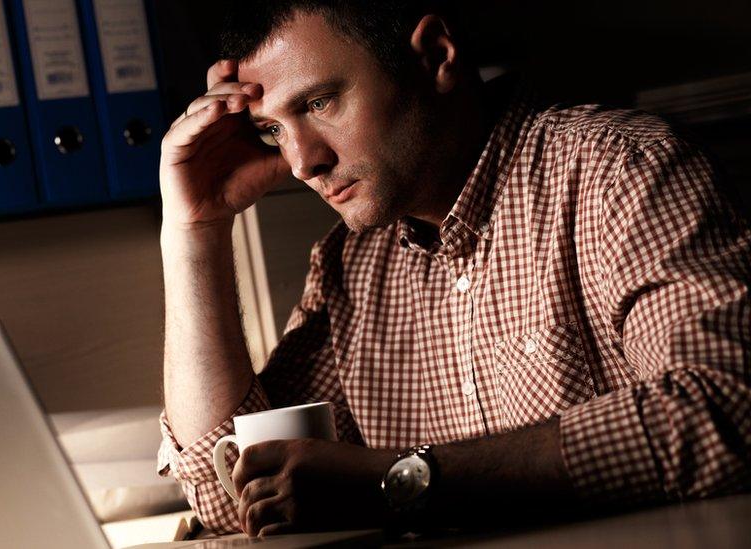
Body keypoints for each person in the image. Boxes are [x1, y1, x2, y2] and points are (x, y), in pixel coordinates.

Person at [156, 0, 751, 537]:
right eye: (271, 130)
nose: (305, 161)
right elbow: (230, 493)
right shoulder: (350, 265)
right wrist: (196, 231)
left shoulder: (621, 171)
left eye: (319, 102)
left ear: (436, 55)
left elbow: (725, 410)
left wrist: (403, 480)